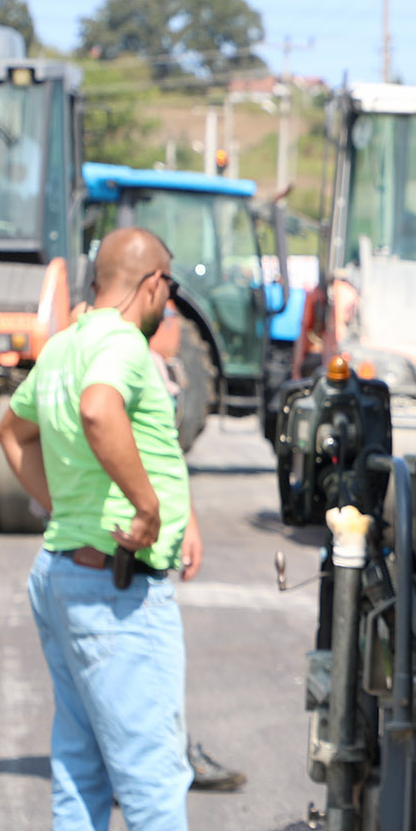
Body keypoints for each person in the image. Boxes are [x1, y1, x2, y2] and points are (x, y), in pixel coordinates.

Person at [0, 227, 277, 831]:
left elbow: (12, 429)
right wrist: (145, 508)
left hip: (63, 571)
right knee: (152, 757)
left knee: (81, 753)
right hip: (114, 590)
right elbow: (98, 411)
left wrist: (74, 509)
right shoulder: (122, 346)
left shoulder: (63, 343)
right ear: (151, 282)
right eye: (170, 290)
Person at [144, 310, 248, 796]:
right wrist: (151, 512)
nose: (180, 328)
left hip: (154, 544)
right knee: (153, 658)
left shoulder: (157, 368)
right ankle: (154, 761)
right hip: (136, 550)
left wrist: (187, 519)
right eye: (169, 316)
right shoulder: (134, 369)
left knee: (159, 659)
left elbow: (168, 455)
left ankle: (165, 752)